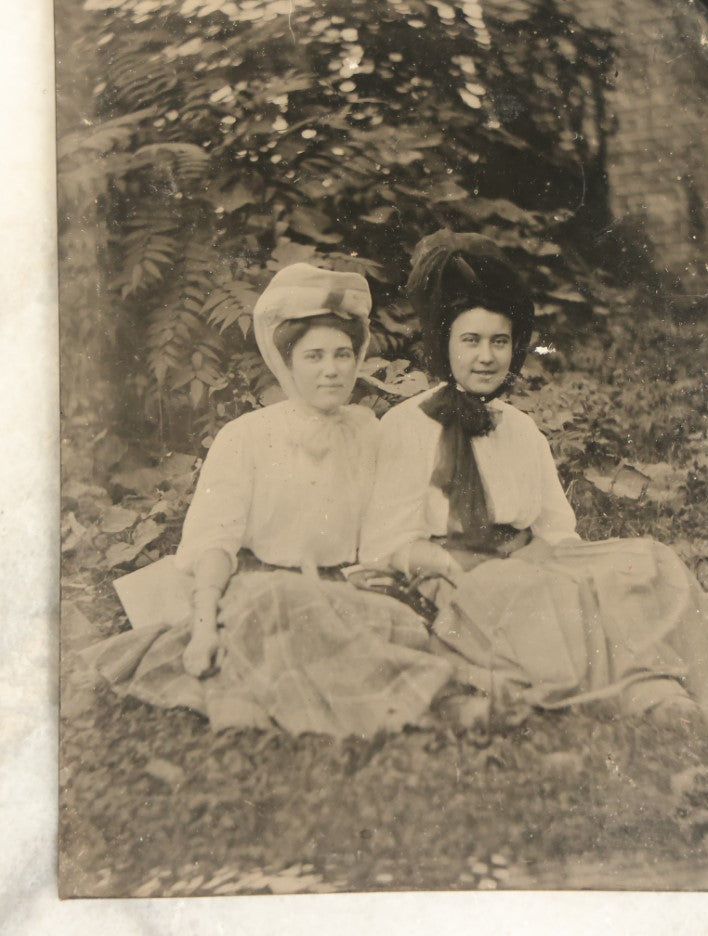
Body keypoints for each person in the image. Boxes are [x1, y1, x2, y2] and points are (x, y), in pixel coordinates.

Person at [360, 231, 708, 728]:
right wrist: (449, 564)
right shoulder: (407, 427)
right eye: (470, 341)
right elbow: (385, 542)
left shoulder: (520, 428)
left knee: (645, 561)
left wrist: (571, 565)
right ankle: (643, 694)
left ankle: (667, 684)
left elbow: (556, 529)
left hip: (532, 557)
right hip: (454, 572)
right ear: (444, 345)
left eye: (499, 342)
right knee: (540, 590)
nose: (486, 357)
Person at [83, 263, 451, 737]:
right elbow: (214, 541)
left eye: (343, 354)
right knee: (287, 607)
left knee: (398, 631)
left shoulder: (367, 430)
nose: (332, 370)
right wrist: (203, 627)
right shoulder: (246, 436)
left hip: (344, 592)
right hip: (261, 592)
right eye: (314, 356)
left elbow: (386, 529)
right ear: (287, 362)